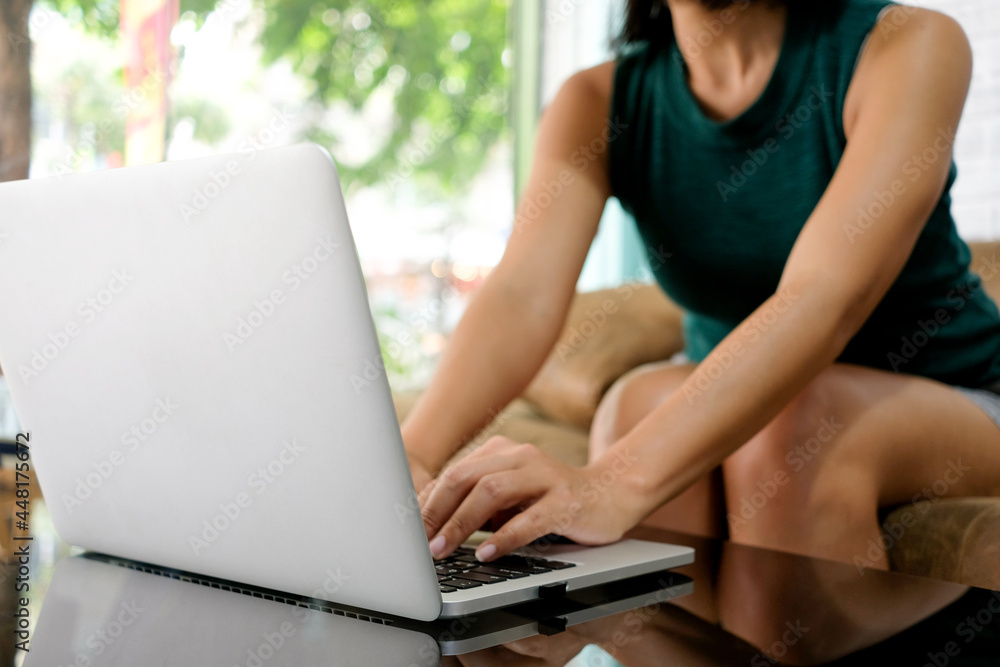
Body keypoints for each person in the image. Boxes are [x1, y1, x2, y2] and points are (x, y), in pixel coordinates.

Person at [401, 0, 1000, 569]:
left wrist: (614, 482)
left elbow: (822, 297)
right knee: (636, 405)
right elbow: (522, 296)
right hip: (754, 414)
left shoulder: (906, 44)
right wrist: (412, 458)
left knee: (794, 429)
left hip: (959, 396)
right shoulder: (597, 101)